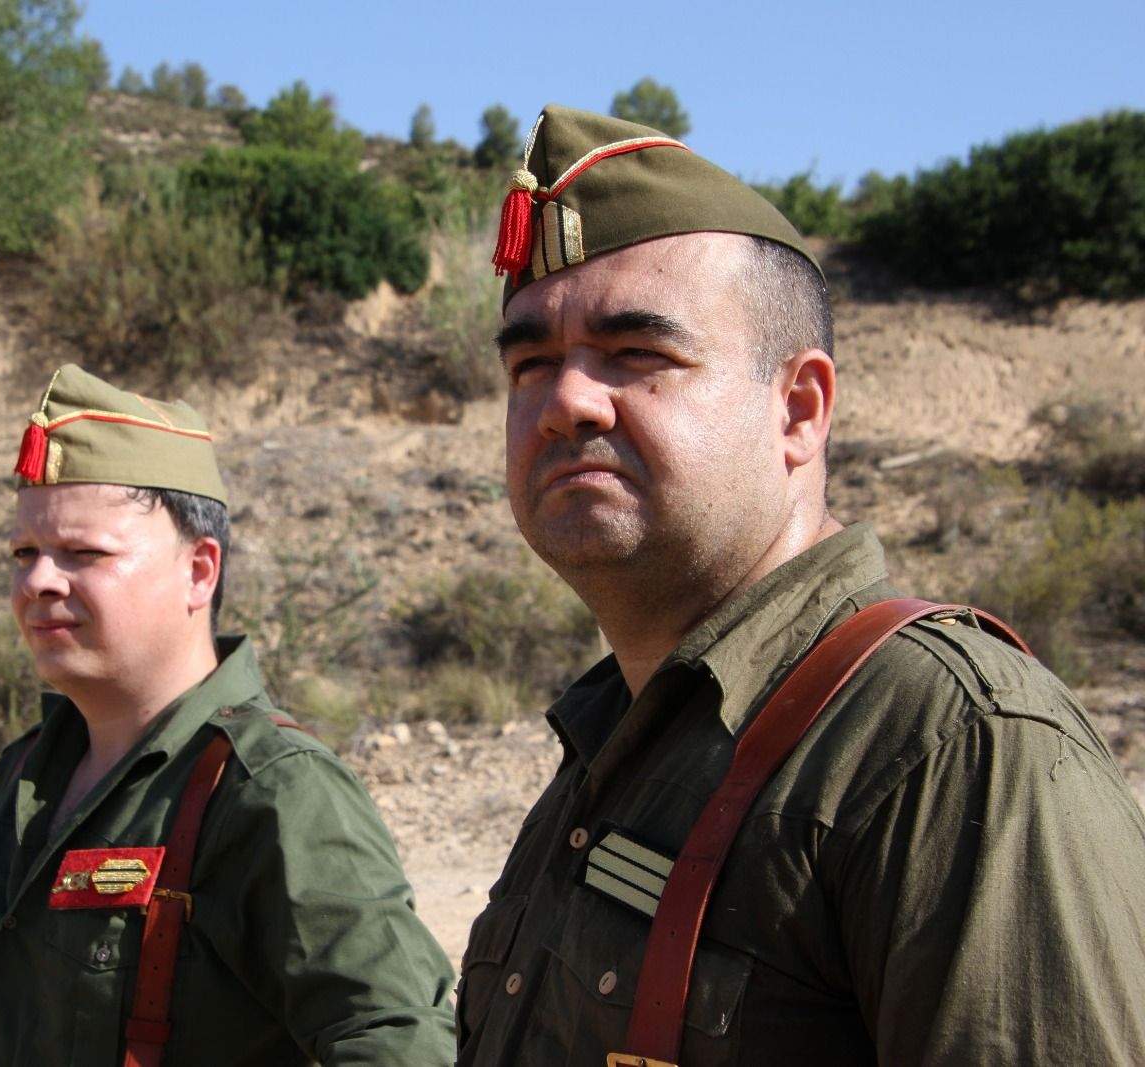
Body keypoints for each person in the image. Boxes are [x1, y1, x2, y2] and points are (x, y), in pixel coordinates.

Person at [456, 104, 1145, 1065]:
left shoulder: (948, 746)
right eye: (531, 362)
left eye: (637, 353)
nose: (565, 400)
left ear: (799, 409)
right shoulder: (619, 726)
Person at [0, 364, 456, 1066]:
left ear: (200, 571)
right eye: (24, 552)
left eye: (83, 553)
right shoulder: (23, 778)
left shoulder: (273, 790)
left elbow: (403, 1048)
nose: (37, 581)